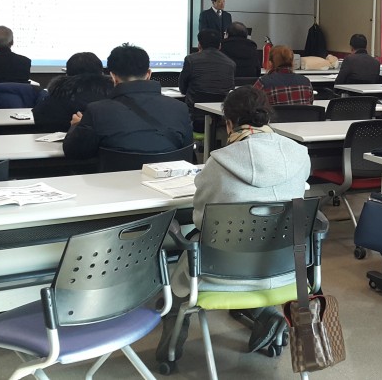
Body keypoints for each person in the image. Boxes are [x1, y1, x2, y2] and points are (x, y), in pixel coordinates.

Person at [175, 86, 310, 353]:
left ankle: (170, 345)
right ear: (267, 117)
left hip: (223, 272)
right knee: (252, 250)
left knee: (177, 278)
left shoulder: (218, 163)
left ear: (228, 123)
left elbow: (201, 220)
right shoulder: (300, 155)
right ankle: (265, 314)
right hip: (285, 267)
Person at [63, 43, 192, 159]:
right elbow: (187, 151)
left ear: (113, 77)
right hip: (167, 177)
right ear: (148, 74)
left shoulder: (97, 111)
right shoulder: (180, 108)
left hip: (114, 177)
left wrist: (76, 126)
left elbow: (73, 152)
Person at [32, 52, 113, 132]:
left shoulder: (56, 96)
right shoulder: (113, 96)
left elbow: (38, 117)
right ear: (101, 73)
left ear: (67, 74)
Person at [178, 29, 235, 130]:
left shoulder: (190, 60)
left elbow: (182, 88)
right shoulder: (231, 64)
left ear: (199, 45)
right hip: (220, 121)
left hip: (194, 119)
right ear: (220, 46)